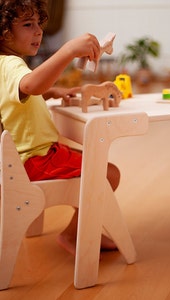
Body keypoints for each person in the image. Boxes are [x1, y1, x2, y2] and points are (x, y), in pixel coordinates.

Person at [0, 0, 120, 256]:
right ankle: (74, 234)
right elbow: (30, 86)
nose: (38, 31)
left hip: (27, 158)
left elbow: (20, 95)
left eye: (39, 24)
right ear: (4, 31)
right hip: (37, 159)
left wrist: (53, 91)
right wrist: (67, 51)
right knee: (108, 174)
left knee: (96, 166)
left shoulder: (5, 65)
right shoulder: (11, 65)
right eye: (28, 24)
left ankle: (80, 230)